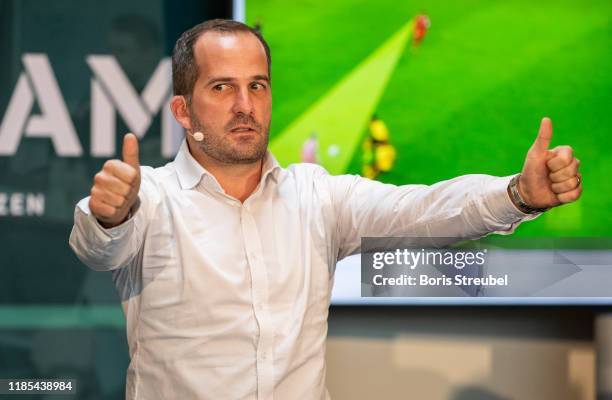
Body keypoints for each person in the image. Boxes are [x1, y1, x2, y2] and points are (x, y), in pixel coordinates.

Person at [69, 19, 583, 400]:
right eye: (222, 87)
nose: (245, 105)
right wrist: (110, 214)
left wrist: (517, 194)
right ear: (183, 109)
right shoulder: (152, 199)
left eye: (258, 86)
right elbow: (98, 245)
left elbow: (423, 210)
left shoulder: (316, 197)